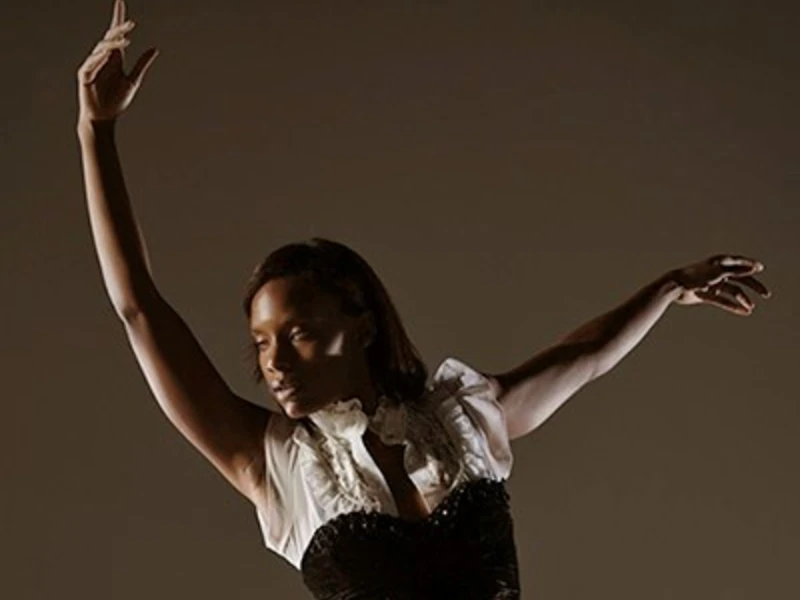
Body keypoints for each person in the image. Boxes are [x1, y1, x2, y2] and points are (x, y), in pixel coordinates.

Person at [76, 2, 772, 598]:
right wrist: (96, 134)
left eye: (299, 333)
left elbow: (583, 356)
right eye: (261, 343)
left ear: (363, 321)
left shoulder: (461, 421)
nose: (275, 362)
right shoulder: (277, 466)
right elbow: (140, 310)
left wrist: (668, 288)